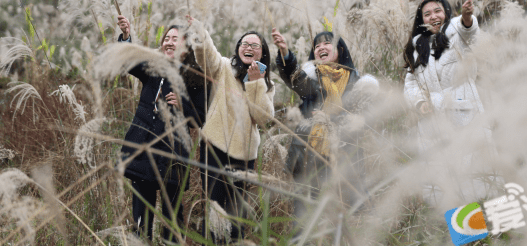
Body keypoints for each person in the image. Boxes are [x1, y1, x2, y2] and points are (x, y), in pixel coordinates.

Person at [117, 15, 210, 241]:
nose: (168, 42)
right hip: (143, 145)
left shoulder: (196, 76)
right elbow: (129, 61)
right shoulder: (152, 66)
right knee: (141, 216)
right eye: (166, 38)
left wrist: (183, 104)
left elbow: (201, 118)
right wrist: (127, 36)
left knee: (172, 217)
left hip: (174, 153)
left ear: (186, 45)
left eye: (174, 38)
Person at [272, 28, 379, 221]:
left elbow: (362, 117)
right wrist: (285, 54)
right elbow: (294, 78)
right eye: (317, 45)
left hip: (346, 151)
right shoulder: (312, 79)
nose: (321, 47)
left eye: (327, 43)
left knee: (353, 205)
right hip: (311, 150)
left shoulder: (356, 81)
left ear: (340, 49)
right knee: (310, 208)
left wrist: (330, 120)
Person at [188, 19, 275, 242]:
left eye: (255, 46)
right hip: (214, 147)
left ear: (262, 54)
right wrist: (201, 36)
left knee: (238, 215)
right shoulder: (225, 67)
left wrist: (256, 84)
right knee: (216, 209)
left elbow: (264, 119)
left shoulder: (266, 85)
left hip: (244, 156)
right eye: (245, 43)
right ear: (238, 48)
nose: (249, 48)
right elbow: (208, 59)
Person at [402, 0, 486, 202]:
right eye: (427, 14)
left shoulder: (457, 35)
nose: (433, 17)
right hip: (433, 124)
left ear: (447, 13)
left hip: (464, 117)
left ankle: (481, 232)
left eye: (437, 11)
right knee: (442, 181)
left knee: (471, 178)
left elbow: (469, 30)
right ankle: (454, 233)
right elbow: (411, 83)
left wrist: (467, 17)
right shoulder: (417, 47)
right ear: (421, 19)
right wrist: (420, 103)